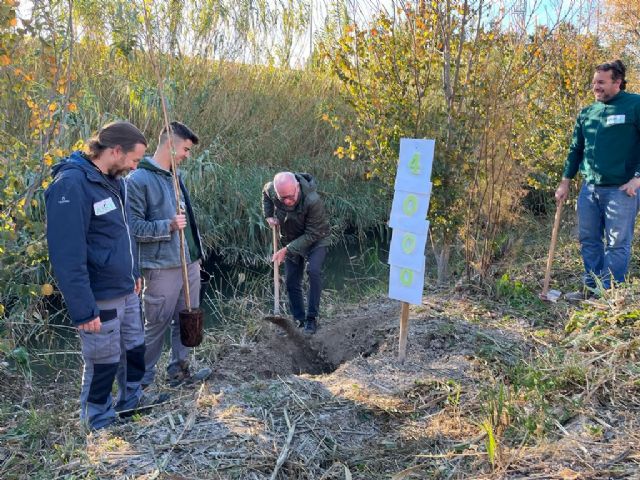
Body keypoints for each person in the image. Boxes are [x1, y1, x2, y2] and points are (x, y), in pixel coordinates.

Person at [45, 121, 150, 430]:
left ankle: (131, 403)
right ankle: (97, 421)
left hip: (127, 289)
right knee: (103, 362)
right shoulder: (71, 185)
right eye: (134, 159)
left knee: (134, 350)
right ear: (115, 151)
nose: (135, 167)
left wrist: (134, 272)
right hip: (100, 296)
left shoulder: (115, 180)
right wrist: (83, 309)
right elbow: (67, 255)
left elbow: (123, 233)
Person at [126, 121, 210, 389]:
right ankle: (141, 385)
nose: (187, 155)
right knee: (155, 325)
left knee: (187, 319)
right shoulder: (138, 179)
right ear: (170, 146)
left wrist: (195, 255)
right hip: (160, 267)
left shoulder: (176, 176)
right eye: (185, 149)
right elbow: (133, 227)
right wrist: (168, 226)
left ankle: (179, 371)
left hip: (189, 262)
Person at [555, 60, 640, 299]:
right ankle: (592, 289)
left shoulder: (635, 105)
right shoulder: (587, 113)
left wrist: (637, 179)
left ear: (618, 82)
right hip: (590, 189)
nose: (596, 87)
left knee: (616, 243)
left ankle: (608, 295)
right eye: (594, 83)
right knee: (589, 240)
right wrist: (565, 182)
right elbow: (575, 149)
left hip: (622, 190)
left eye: (601, 82)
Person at [263, 171, 331, 334]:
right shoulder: (273, 189)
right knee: (292, 281)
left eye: (290, 197)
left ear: (297, 187)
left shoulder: (312, 200)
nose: (287, 202)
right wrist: (268, 215)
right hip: (291, 237)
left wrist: (286, 249)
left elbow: (312, 234)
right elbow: (265, 192)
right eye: (282, 198)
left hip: (316, 238)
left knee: (313, 270)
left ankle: (311, 319)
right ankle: (299, 319)